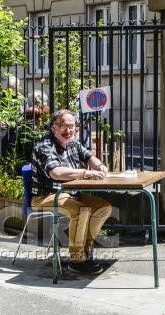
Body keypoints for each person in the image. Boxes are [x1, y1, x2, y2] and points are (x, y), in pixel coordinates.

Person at [31, 109, 112, 274]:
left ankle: (84, 250)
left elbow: (88, 156)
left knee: (103, 207)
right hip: (45, 196)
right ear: (54, 127)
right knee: (81, 211)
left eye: (71, 126)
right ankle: (76, 261)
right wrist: (86, 172)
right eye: (63, 126)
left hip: (71, 194)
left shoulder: (72, 143)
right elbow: (56, 173)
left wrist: (99, 166)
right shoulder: (45, 145)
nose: (68, 130)